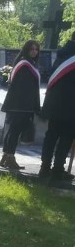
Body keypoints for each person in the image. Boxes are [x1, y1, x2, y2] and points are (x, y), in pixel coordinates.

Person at [0, 39, 41, 170]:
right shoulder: (25, 65)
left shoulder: (28, 63)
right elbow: (24, 88)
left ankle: (6, 156)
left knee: (12, 131)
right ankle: (10, 157)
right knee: (15, 131)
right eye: (31, 49)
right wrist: (31, 106)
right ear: (26, 50)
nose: (34, 52)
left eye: (36, 49)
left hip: (18, 104)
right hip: (21, 105)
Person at [39, 32, 75, 182]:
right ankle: (58, 169)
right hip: (71, 107)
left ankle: (44, 167)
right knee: (66, 138)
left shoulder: (61, 55)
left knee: (51, 136)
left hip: (55, 105)